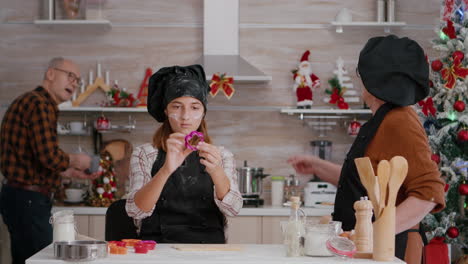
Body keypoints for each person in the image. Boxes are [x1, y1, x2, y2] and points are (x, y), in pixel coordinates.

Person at [287, 35, 446, 264]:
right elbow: (368, 183)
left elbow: (428, 194)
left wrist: (370, 234)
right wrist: (318, 166)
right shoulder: (382, 120)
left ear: (375, 79)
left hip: (390, 251)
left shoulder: (399, 120)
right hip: (365, 251)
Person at [125, 64, 243, 243]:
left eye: (195, 107)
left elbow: (234, 209)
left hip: (210, 252)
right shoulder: (145, 154)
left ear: (203, 112)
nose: (185, 116)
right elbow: (135, 210)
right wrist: (165, 170)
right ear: (166, 110)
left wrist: (216, 171)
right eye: (177, 106)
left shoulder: (221, 155)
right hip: (158, 251)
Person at [0, 57, 98, 264]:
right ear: (50, 74)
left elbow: (33, 158)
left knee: (27, 258)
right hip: (28, 200)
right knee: (40, 261)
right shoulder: (39, 103)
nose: (74, 83)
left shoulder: (34, 102)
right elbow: (49, 156)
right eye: (70, 76)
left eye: (77, 80)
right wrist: (76, 160)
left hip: (21, 198)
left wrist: (68, 173)